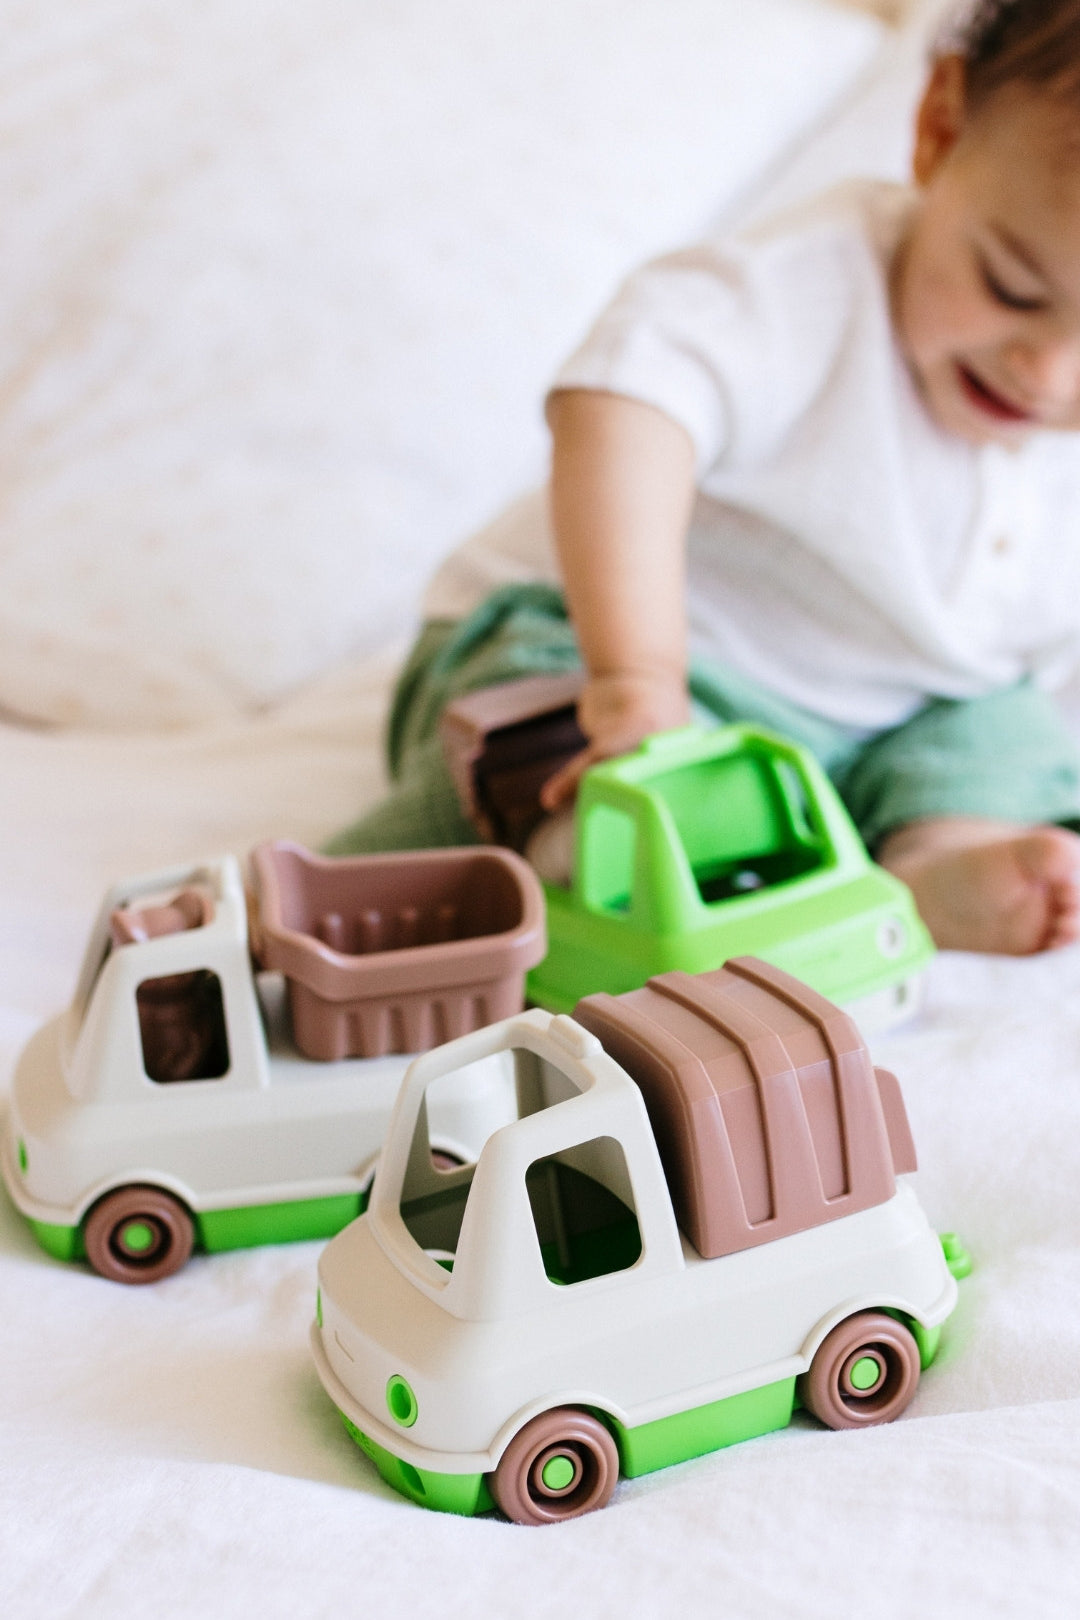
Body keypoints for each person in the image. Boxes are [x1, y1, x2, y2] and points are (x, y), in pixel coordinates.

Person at [332, 0, 1080, 957]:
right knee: (539, 737)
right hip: (627, 666)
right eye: (1011, 287)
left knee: (1009, 737)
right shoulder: (806, 291)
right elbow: (625, 400)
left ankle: (930, 868)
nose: (1045, 375)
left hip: (892, 723)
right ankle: (565, 856)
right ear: (939, 128)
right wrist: (636, 675)